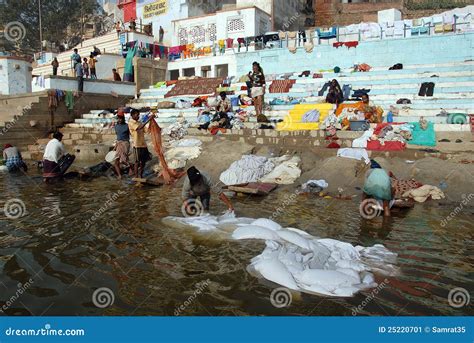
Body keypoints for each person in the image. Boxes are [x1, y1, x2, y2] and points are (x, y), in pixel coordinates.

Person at [128, 109, 155, 178]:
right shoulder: (131, 122)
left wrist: (152, 122)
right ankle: (136, 176)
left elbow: (147, 130)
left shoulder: (139, 122)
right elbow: (139, 128)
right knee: (137, 161)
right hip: (136, 145)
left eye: (138, 115)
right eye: (137, 115)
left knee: (143, 161)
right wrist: (148, 119)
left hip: (143, 144)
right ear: (132, 115)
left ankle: (140, 175)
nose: (138, 117)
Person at [113, 112, 130, 179]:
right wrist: (115, 146)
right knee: (116, 162)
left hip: (125, 143)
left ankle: (130, 166)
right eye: (118, 118)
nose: (119, 120)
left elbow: (130, 134)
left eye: (121, 118)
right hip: (118, 143)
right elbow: (117, 136)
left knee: (123, 160)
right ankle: (119, 175)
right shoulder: (116, 126)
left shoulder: (127, 126)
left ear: (123, 119)